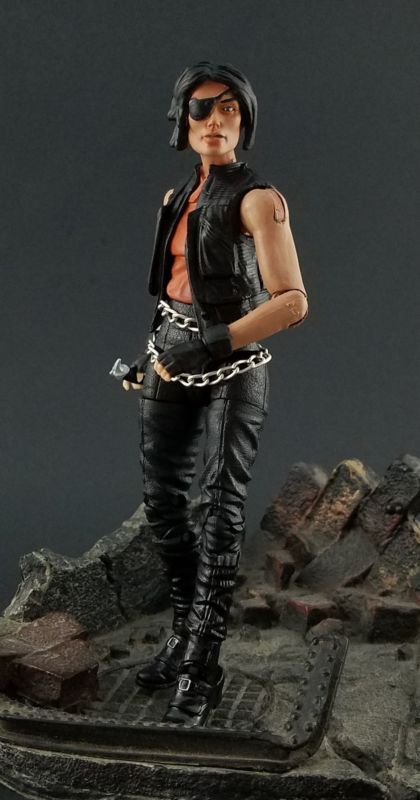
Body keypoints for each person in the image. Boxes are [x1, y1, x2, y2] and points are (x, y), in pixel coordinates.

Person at [122, 62, 308, 727]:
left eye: (230, 109)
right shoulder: (175, 198)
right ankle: (183, 632)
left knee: (221, 513)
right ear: (181, 121)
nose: (215, 121)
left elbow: (292, 301)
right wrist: (150, 357)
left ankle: (202, 664)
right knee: (163, 505)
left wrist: (213, 344)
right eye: (201, 109)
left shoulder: (259, 199)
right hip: (168, 351)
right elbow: (173, 291)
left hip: (234, 359)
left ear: (246, 121)